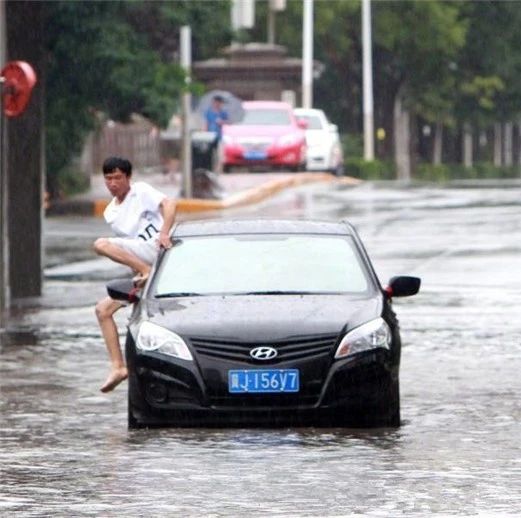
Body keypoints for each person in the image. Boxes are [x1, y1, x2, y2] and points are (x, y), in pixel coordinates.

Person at [93, 156, 177, 393]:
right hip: (143, 264)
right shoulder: (111, 212)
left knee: (101, 244)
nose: (113, 183)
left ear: (128, 178)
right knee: (103, 310)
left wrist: (164, 232)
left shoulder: (140, 191)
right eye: (108, 178)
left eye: (118, 177)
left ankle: (145, 271)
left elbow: (170, 204)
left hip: (160, 249)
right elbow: (129, 247)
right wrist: (138, 277)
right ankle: (118, 367)